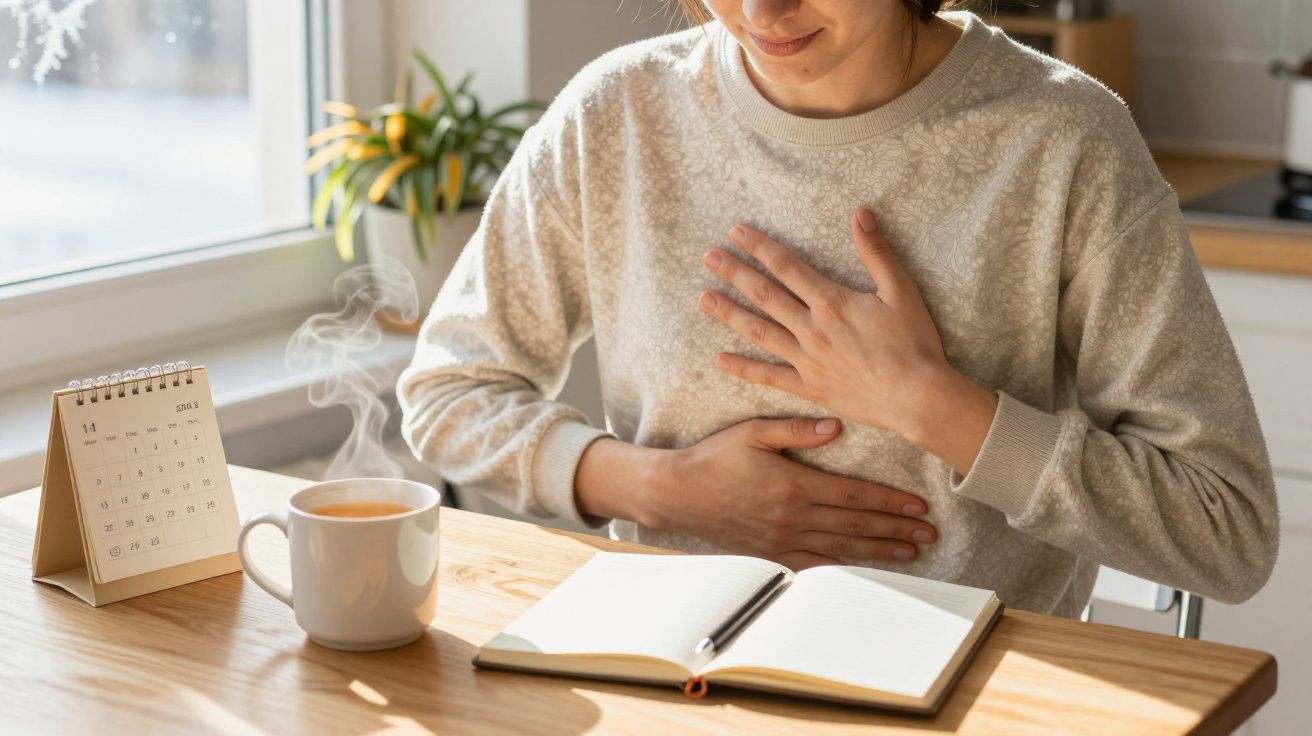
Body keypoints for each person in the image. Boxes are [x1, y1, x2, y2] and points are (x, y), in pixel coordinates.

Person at [398, 0, 1279, 617]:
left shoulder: (1063, 139)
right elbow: (448, 392)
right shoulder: (615, 115)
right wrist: (663, 490)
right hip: (677, 676)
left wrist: (934, 407)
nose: (760, 11)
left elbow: (1225, 528)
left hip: (980, 692)